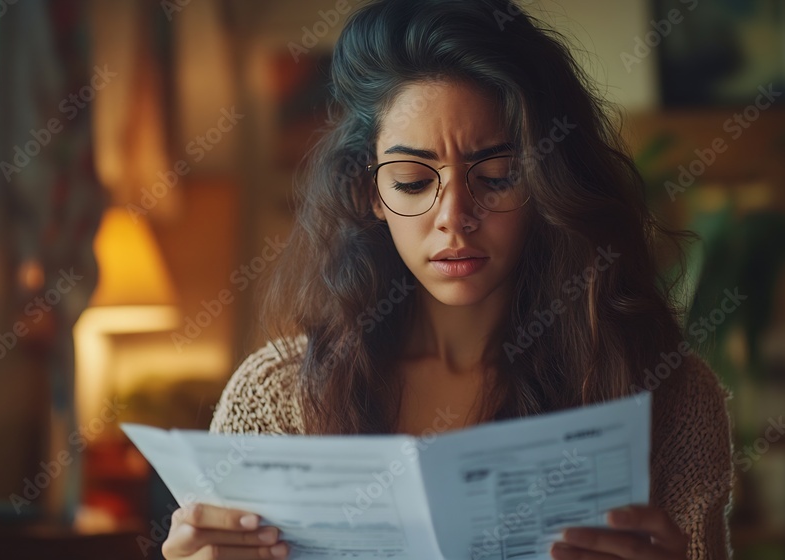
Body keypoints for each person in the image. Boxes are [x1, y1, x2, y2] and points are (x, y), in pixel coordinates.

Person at [161, 0, 734, 559]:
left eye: (499, 175)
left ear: (546, 181)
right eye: (412, 180)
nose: (454, 215)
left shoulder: (665, 393)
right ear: (370, 194)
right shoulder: (277, 399)